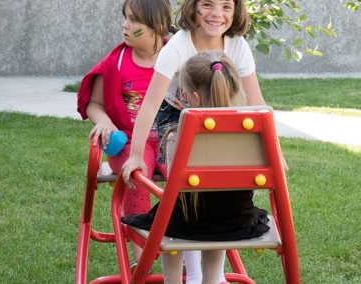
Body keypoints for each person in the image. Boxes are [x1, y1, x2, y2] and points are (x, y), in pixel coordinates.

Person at [121, 0, 282, 281]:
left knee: (222, 186)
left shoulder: (237, 45)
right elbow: (149, 104)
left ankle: (210, 276)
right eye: (207, 4)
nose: (216, 14)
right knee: (185, 182)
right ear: (193, 8)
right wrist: (136, 154)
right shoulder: (179, 45)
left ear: (236, 11)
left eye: (226, 7)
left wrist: (275, 154)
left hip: (223, 120)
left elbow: (258, 105)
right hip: (178, 120)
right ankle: (193, 274)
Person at [76, 0, 172, 264]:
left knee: (186, 180)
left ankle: (186, 251)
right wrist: (104, 120)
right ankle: (142, 261)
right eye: (125, 17)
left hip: (169, 138)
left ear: (157, 27)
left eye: (133, 21)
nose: (125, 25)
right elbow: (94, 103)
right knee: (135, 178)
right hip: (130, 142)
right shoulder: (116, 61)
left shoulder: (175, 55)